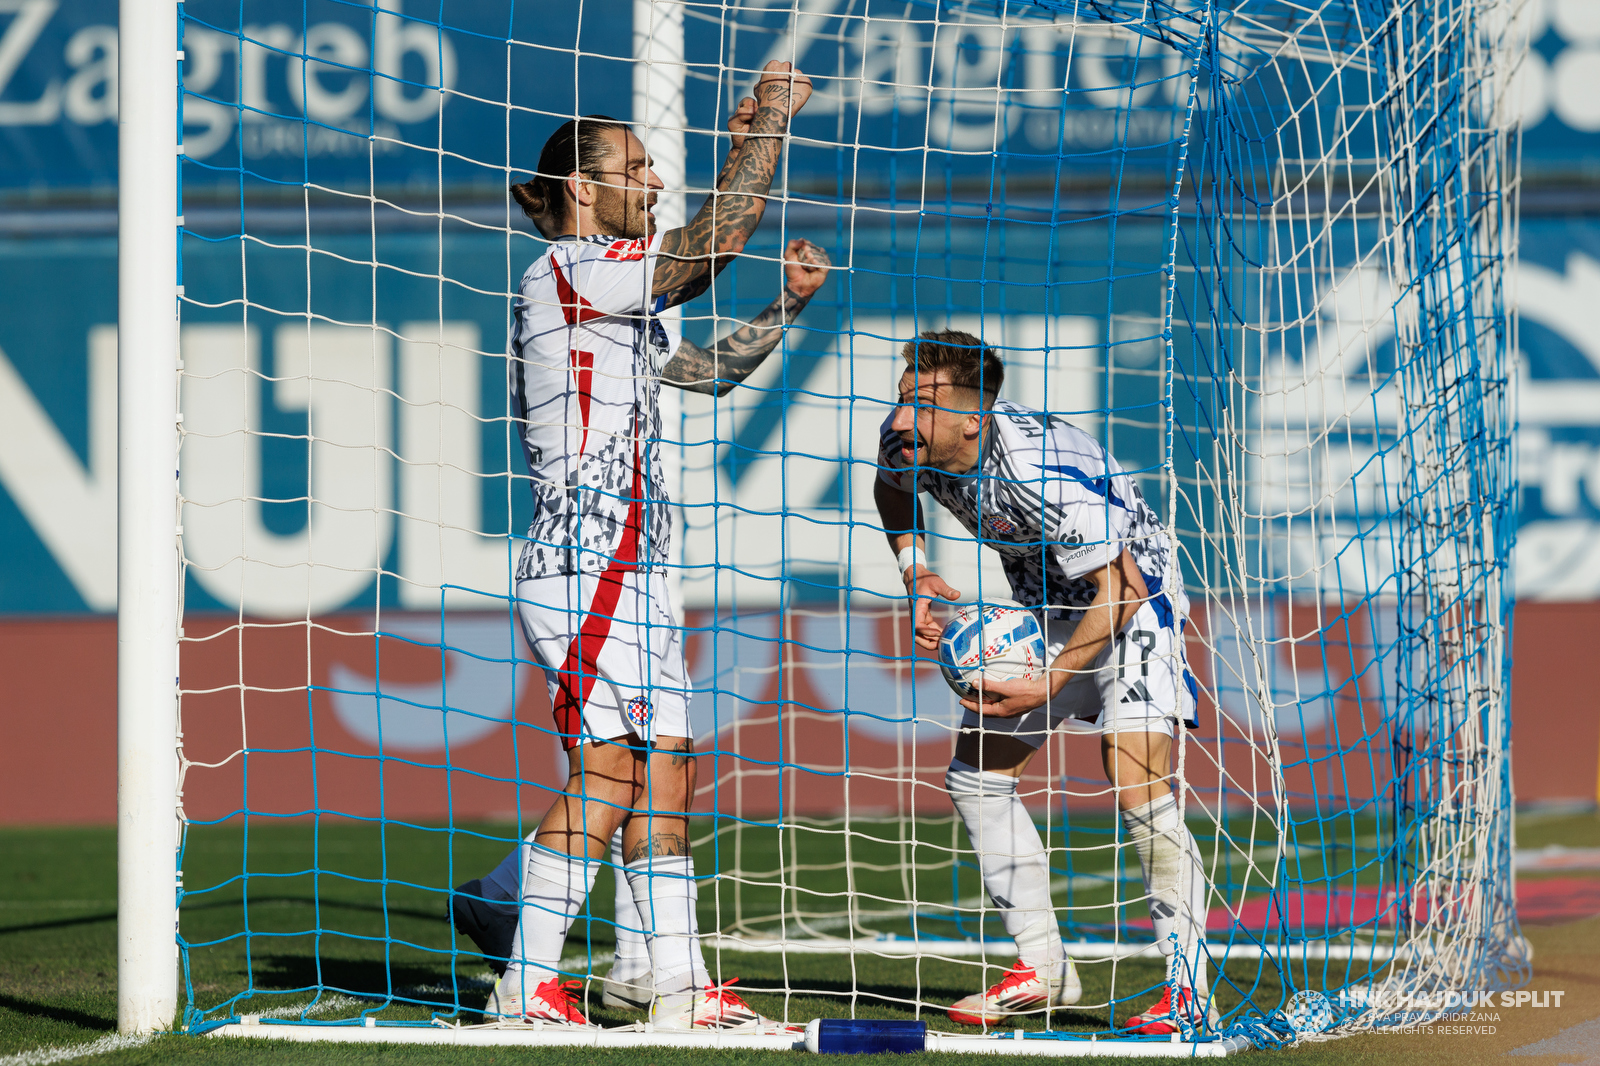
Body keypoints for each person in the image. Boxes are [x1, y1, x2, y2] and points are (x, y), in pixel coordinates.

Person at [452, 62, 830, 1030]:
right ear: (582, 187)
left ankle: (670, 980)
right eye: (636, 164)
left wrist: (784, 309)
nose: (654, 179)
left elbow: (704, 374)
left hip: (637, 563)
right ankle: (525, 981)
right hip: (585, 559)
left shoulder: (627, 299)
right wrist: (763, 132)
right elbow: (711, 245)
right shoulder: (572, 270)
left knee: (667, 765)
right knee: (613, 770)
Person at [872, 330, 1215, 1035]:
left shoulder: (1036, 472)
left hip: (1132, 602)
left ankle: (1187, 992)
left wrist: (1049, 684)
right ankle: (1044, 968)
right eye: (902, 399)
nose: (902, 418)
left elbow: (1115, 590)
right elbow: (889, 487)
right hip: (1044, 609)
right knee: (975, 777)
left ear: (973, 418)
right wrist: (916, 571)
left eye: (922, 405)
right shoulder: (907, 439)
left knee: (1135, 781)